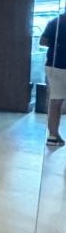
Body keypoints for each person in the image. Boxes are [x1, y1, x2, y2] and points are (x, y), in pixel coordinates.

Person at [42, 15, 66, 146]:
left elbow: (43, 41)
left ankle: (53, 136)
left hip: (54, 66)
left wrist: (59, 43)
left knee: (55, 101)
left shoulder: (55, 21)